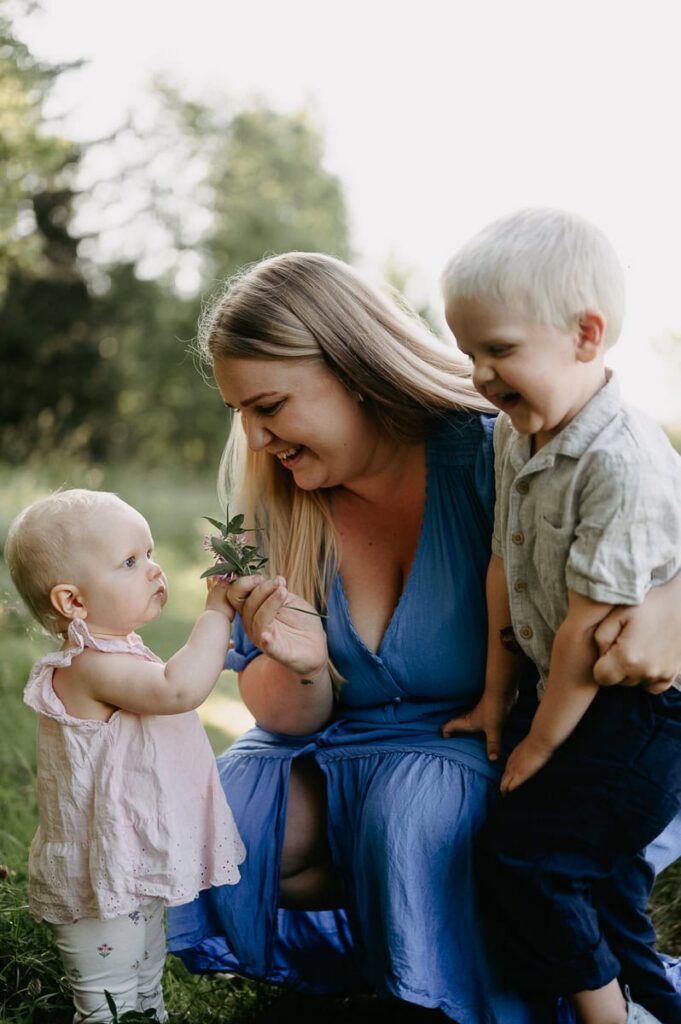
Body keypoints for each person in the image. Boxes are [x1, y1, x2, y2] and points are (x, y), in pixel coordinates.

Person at [166, 252, 681, 1024]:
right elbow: (281, 719)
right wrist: (303, 667)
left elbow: (639, 509)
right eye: (240, 411)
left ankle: (490, 988)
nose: (255, 436)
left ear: (354, 366)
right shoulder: (278, 497)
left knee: (411, 810)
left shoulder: (492, 449)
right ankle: (396, 938)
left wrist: (671, 599)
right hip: (339, 738)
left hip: (482, 735)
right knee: (215, 821)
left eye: (269, 405)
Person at [441, 208, 681, 1024]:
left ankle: (603, 1019)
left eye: (498, 350)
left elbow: (587, 628)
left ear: (585, 335)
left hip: (644, 707)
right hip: (565, 685)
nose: (479, 375)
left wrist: (540, 743)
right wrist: (491, 698)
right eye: (468, 353)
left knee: (531, 856)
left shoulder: (621, 461)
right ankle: (650, 1005)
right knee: (601, 875)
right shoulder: (519, 435)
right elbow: (504, 568)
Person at [4, 488, 248, 1023]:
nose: (155, 571)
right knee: (107, 1005)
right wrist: (215, 613)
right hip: (98, 882)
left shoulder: (120, 652)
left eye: (151, 553)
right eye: (131, 562)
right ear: (74, 602)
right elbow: (177, 690)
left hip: (128, 864)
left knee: (143, 987)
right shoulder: (88, 666)